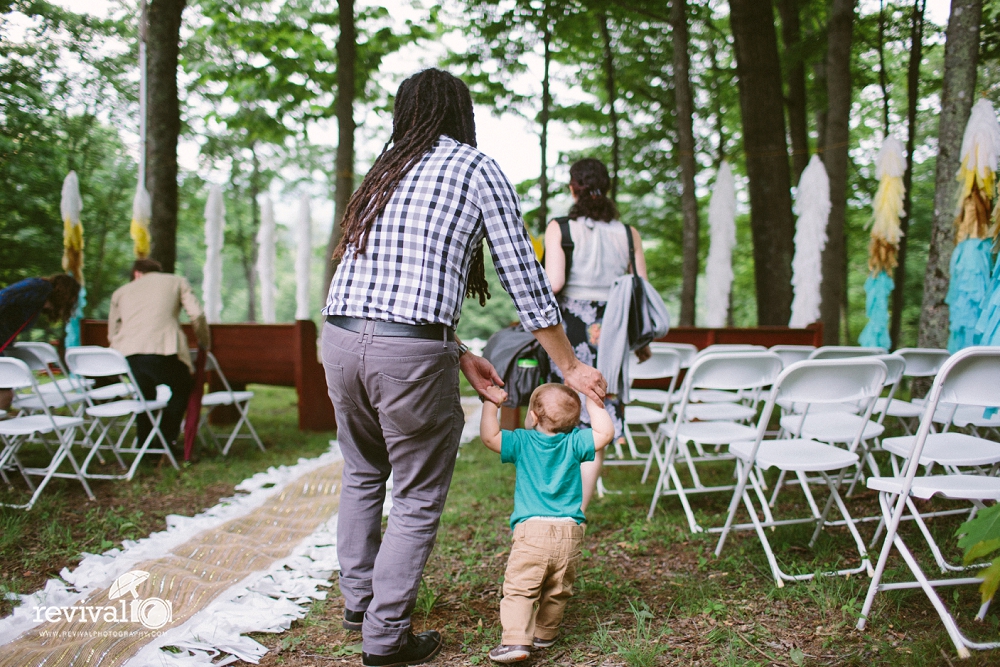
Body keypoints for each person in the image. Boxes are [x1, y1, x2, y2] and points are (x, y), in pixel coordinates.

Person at [321, 68, 607, 667]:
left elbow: (379, 284)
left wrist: (457, 351)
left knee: (362, 471)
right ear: (461, 113)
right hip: (407, 349)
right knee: (419, 494)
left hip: (341, 338)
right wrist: (569, 364)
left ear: (408, 113)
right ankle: (385, 638)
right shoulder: (475, 167)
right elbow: (525, 280)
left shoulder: (383, 170)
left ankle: (358, 603)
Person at [543, 158, 650, 511]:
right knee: (597, 423)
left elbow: (554, 283)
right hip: (614, 333)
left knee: (560, 413)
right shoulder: (628, 232)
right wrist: (641, 342)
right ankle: (578, 512)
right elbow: (640, 290)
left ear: (573, 187)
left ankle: (552, 502)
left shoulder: (561, 228)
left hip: (570, 331)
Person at [479, 383, 613, 663]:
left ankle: (516, 640)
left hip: (532, 531)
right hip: (570, 531)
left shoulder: (522, 441)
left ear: (534, 417)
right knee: (558, 588)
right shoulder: (576, 442)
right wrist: (593, 403)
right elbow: (605, 434)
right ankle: (545, 633)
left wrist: (491, 403)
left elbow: (490, 437)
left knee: (520, 589)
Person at [108, 258, 211, 450]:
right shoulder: (176, 281)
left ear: (137, 273)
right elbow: (197, 314)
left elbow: (113, 331)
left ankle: (145, 446)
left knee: (144, 396)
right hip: (164, 349)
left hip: (129, 354)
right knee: (182, 387)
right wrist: (204, 341)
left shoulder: (120, 292)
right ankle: (165, 440)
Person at [0, 273, 80, 410]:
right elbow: (4, 296)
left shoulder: (38, 304)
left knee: (6, 392)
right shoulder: (40, 287)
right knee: (5, 392)